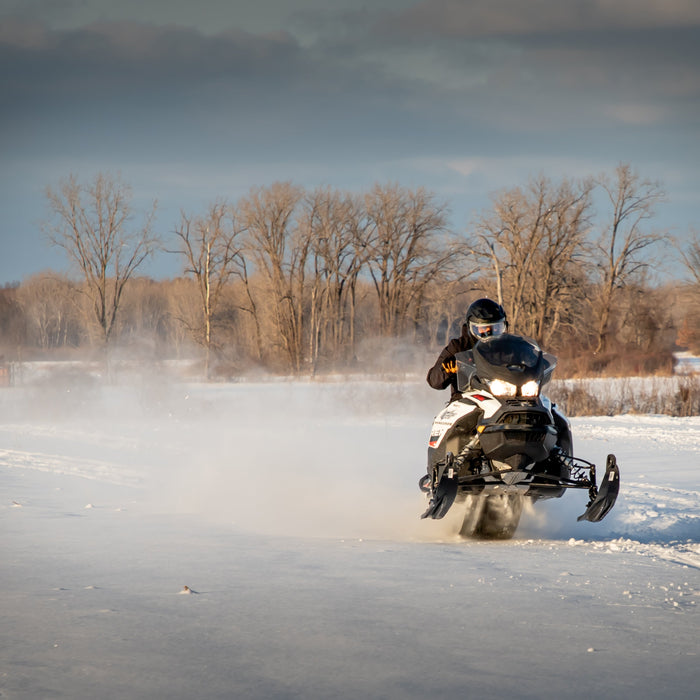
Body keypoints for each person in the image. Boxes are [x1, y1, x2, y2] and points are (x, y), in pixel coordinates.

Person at [426, 298, 507, 400]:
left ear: (503, 327)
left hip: (504, 399)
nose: (489, 334)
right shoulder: (459, 346)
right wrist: (446, 370)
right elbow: (434, 381)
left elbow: (526, 362)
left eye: (495, 329)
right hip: (466, 398)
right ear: (471, 327)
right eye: (483, 329)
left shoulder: (508, 347)